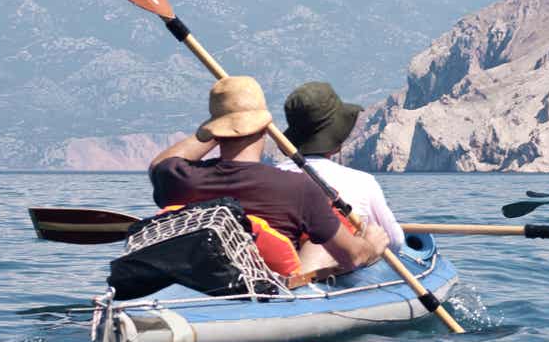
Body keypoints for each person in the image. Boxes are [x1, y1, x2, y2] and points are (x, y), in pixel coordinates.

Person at [148, 75, 389, 280]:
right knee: (322, 240)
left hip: (207, 281)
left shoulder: (179, 179)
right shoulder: (299, 188)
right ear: (266, 126)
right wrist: (371, 244)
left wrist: (219, 124)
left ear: (214, 130)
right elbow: (354, 256)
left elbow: (159, 164)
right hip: (274, 288)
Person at [272, 81, 406, 251]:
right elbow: (395, 241)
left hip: (291, 267)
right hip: (344, 268)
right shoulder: (362, 182)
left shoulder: (271, 177)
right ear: (336, 138)